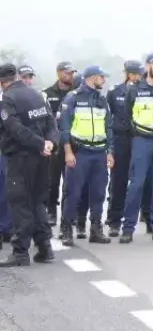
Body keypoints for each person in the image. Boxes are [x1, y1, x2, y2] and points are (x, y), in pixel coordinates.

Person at [0, 63, 58, 267]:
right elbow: (51, 122)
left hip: (21, 158)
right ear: (16, 76)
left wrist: (40, 144)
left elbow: (15, 130)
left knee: (20, 204)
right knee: (37, 202)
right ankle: (45, 249)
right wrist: (49, 143)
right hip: (42, 158)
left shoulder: (7, 99)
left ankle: (20, 252)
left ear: (1, 82)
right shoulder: (36, 95)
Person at [119, 52, 153, 243]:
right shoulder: (134, 90)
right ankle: (128, 228)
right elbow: (126, 116)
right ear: (148, 66)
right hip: (142, 141)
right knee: (136, 185)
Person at [58, 65, 114, 245]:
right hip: (79, 153)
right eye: (101, 77)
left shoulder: (102, 100)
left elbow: (109, 128)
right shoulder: (73, 98)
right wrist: (68, 152)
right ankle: (67, 229)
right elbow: (64, 128)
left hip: (99, 153)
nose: (104, 81)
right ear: (91, 78)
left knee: (98, 193)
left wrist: (110, 152)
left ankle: (96, 230)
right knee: (73, 192)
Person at [105, 60, 144, 237]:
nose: (137, 77)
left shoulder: (145, 90)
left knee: (142, 180)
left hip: (140, 138)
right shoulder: (114, 92)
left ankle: (148, 217)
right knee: (118, 181)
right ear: (127, 73)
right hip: (121, 140)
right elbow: (108, 118)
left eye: (139, 73)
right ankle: (114, 221)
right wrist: (110, 145)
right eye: (134, 73)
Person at [43, 61, 77, 226]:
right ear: (59, 73)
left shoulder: (77, 93)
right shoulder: (47, 94)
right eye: (67, 73)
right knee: (52, 181)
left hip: (73, 143)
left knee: (71, 182)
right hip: (56, 144)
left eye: (72, 73)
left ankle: (68, 214)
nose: (71, 76)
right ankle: (51, 212)